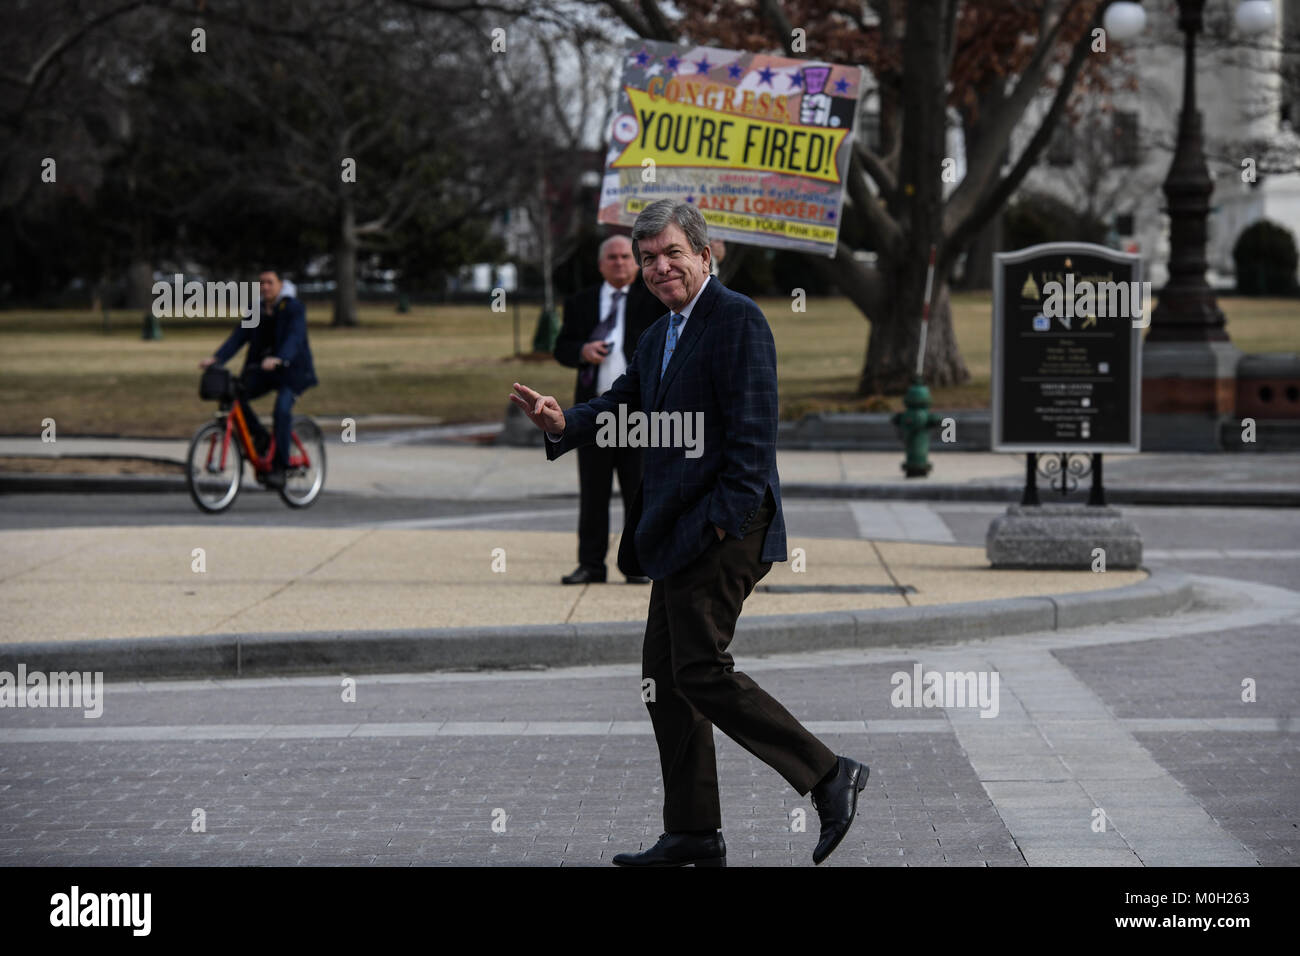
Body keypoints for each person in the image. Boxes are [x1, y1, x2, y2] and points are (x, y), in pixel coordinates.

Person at [510, 200, 868, 867]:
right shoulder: (660, 333)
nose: (658, 267)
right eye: (647, 259)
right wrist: (566, 422)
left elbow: (755, 439)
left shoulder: (739, 321)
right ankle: (694, 835)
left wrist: (721, 521)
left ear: (706, 254)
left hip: (725, 524)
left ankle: (827, 774)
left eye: (672, 253)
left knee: (700, 669)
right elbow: (625, 406)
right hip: (678, 527)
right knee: (664, 680)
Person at [552, 235, 664, 585]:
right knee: (593, 494)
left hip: (637, 412)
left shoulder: (656, 300)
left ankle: (640, 564)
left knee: (639, 493)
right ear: (601, 264)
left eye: (624, 257)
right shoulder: (581, 302)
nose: (619, 262)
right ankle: (591, 565)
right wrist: (582, 351)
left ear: (635, 263)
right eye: (612, 258)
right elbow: (562, 347)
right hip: (593, 412)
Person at [199, 269, 317, 489]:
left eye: (270, 282)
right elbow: (239, 337)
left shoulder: (293, 308)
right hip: (263, 370)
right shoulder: (257, 309)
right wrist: (216, 359)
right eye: (261, 283)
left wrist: (280, 358)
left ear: (281, 284)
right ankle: (261, 438)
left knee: (281, 411)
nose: (265, 287)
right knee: (236, 395)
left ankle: (281, 467)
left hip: (292, 372)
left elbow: (295, 336)